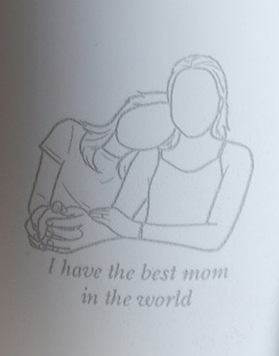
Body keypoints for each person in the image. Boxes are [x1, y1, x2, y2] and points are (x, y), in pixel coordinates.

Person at [91, 54, 253, 251]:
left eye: (202, 97)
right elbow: (113, 222)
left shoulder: (236, 158)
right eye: (182, 97)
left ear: (219, 104)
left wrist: (136, 230)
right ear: (170, 102)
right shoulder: (149, 157)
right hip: (145, 269)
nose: (191, 107)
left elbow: (214, 237)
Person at [26, 91, 173, 250]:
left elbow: (113, 225)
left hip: (89, 252)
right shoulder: (68, 132)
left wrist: (82, 229)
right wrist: (41, 215)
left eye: (156, 131)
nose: (143, 129)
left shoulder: (138, 171)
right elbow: (39, 198)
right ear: (129, 108)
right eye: (144, 115)